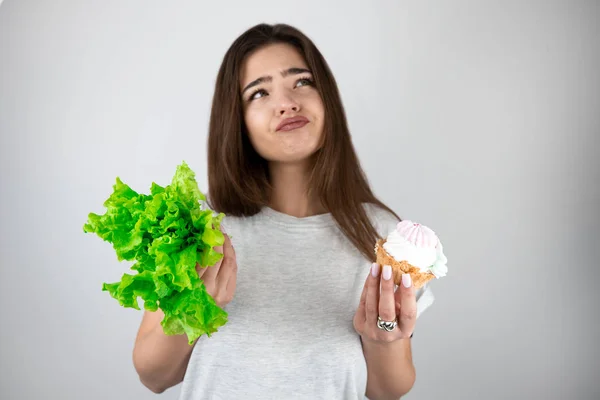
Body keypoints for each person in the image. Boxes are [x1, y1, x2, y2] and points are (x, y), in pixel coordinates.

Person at [132, 23, 436, 400]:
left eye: (302, 82)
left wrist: (384, 338)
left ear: (327, 97)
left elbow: (385, 390)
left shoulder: (382, 236)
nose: (287, 102)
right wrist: (195, 308)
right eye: (259, 92)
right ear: (237, 121)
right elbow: (154, 376)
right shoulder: (198, 227)